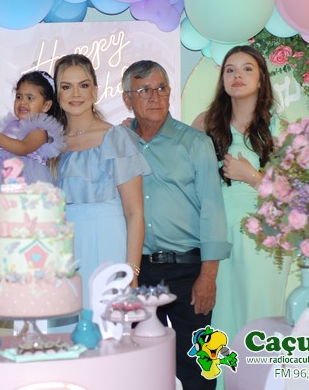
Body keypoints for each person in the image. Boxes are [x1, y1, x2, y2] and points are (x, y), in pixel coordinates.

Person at [123, 60, 230, 390]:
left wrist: (208, 276)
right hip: (139, 274)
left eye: (161, 88)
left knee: (199, 369)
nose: (154, 96)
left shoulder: (195, 143)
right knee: (140, 370)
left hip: (189, 272)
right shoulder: (119, 143)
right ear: (127, 98)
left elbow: (213, 210)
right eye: (143, 90)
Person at [192, 46, 289, 347]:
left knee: (257, 319)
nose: (237, 75)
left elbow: (293, 199)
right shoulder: (205, 124)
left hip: (263, 238)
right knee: (221, 323)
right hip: (217, 237)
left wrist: (252, 176)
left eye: (247, 69)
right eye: (230, 70)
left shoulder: (278, 128)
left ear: (261, 79)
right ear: (222, 80)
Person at [54, 54, 149, 308]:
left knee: (106, 321)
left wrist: (132, 271)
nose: (76, 94)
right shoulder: (52, 144)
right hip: (61, 250)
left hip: (107, 242)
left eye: (83, 85)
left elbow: (135, 212)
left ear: (95, 91)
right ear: (57, 93)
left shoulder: (116, 137)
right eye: (66, 86)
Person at [0, 70, 64, 219]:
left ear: (46, 106)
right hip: (4, 178)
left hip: (26, 181)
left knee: (22, 216)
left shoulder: (39, 130)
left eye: (30, 98)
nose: (22, 102)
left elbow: (23, 148)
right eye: (19, 97)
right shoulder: (11, 124)